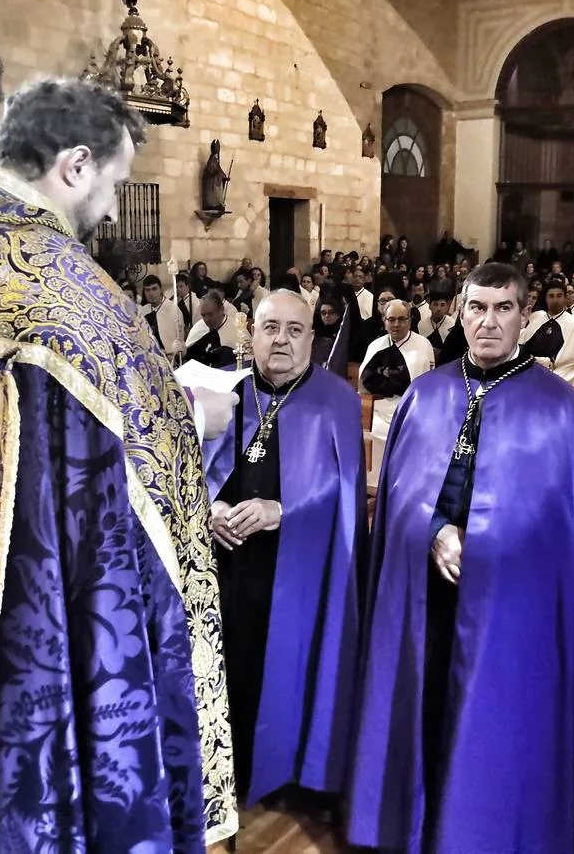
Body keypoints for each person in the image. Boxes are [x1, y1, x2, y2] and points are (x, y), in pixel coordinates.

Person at [0, 77, 238, 852]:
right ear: (73, 164)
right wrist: (203, 414)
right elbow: (153, 433)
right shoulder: (67, 290)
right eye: (113, 181)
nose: (109, 206)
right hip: (41, 611)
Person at [346, 262, 574, 854]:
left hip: (511, 597)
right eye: (476, 309)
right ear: (459, 313)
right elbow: (398, 494)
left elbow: (553, 523)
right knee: (425, 695)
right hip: (425, 582)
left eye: (502, 309)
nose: (487, 322)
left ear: (524, 315)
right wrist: (436, 532)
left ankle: (483, 822)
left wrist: (484, 543)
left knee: (492, 712)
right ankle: (416, 814)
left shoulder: (559, 408)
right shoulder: (425, 393)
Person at [201, 291, 365, 810]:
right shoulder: (219, 389)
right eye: (271, 328)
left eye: (295, 331)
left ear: (311, 340)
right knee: (227, 662)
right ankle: (223, 767)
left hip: (296, 569)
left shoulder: (336, 400)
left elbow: (345, 496)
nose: (282, 340)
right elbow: (188, 467)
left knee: (285, 664)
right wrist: (210, 508)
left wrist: (283, 511)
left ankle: (285, 769)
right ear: (251, 332)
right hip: (224, 563)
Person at [359, 300, 436, 438]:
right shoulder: (375, 346)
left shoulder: (424, 345)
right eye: (391, 319)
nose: (396, 324)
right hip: (377, 416)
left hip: (411, 415)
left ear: (409, 321)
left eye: (401, 319)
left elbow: (429, 387)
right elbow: (364, 385)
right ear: (385, 321)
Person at [521, 277, 574, 385]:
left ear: (565, 298)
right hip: (528, 368)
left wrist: (546, 363)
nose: (555, 300)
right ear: (546, 299)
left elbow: (571, 358)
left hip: (556, 373)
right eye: (551, 296)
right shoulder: (536, 317)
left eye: (559, 296)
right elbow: (522, 344)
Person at [185, 289, 239, 366]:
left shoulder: (237, 329)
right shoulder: (198, 327)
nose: (206, 319)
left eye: (210, 314)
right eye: (203, 315)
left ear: (221, 310)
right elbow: (189, 356)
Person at [141, 273, 186, 361]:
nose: (151, 293)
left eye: (154, 289)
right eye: (147, 290)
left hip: (170, 359)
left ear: (160, 289)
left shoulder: (174, 310)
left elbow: (180, 339)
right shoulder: (143, 311)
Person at [418, 286, 457, 363]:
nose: (439, 308)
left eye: (442, 305)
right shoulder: (421, 324)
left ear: (447, 307)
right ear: (429, 306)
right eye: (435, 304)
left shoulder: (452, 324)